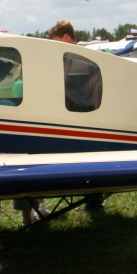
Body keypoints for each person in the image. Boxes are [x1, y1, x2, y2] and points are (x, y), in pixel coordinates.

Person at [46, 19, 105, 215]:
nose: (53, 45)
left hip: (89, 115)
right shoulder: (60, 60)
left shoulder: (85, 59)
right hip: (67, 116)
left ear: (65, 37)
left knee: (92, 161)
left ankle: (94, 204)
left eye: (55, 41)